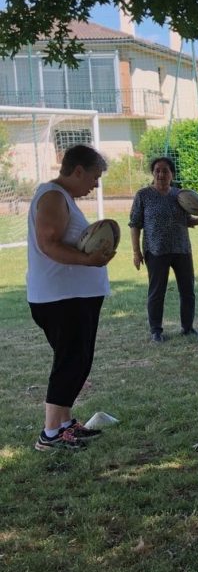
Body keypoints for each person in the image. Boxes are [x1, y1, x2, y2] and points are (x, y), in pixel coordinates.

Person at [27, 144, 115, 451]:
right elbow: (48, 243)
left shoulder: (61, 197)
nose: (96, 184)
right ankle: (50, 434)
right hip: (62, 299)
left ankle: (64, 424)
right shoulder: (52, 196)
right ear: (78, 170)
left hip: (71, 297)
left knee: (77, 361)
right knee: (71, 362)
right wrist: (89, 261)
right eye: (94, 176)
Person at [129, 156, 198, 342]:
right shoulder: (143, 195)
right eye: (157, 170)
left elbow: (187, 221)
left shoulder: (180, 195)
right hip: (156, 250)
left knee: (187, 290)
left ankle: (188, 327)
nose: (161, 174)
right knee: (157, 291)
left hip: (181, 249)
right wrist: (136, 252)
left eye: (165, 171)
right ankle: (156, 331)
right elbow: (135, 224)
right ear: (153, 173)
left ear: (172, 174)